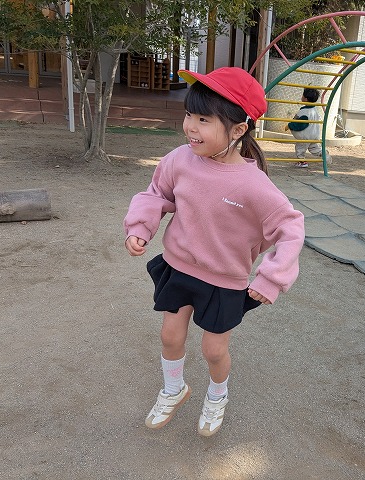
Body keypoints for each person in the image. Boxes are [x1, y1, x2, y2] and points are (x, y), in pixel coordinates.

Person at [124, 67, 305, 436]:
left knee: (214, 350)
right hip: (178, 268)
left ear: (237, 131)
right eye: (189, 114)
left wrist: (271, 278)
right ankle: (174, 389)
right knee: (170, 336)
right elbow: (156, 193)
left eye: (204, 120)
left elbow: (291, 229)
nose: (190, 126)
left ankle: (217, 395)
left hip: (224, 281)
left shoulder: (254, 185)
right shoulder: (179, 159)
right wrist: (141, 226)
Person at [287, 87, 331, 168]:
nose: (301, 97)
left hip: (305, 136)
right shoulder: (314, 110)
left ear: (306, 99)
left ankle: (302, 162)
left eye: (303, 95)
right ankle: (324, 154)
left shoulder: (304, 112)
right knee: (314, 148)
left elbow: (301, 125)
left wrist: (289, 125)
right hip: (314, 135)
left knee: (300, 148)